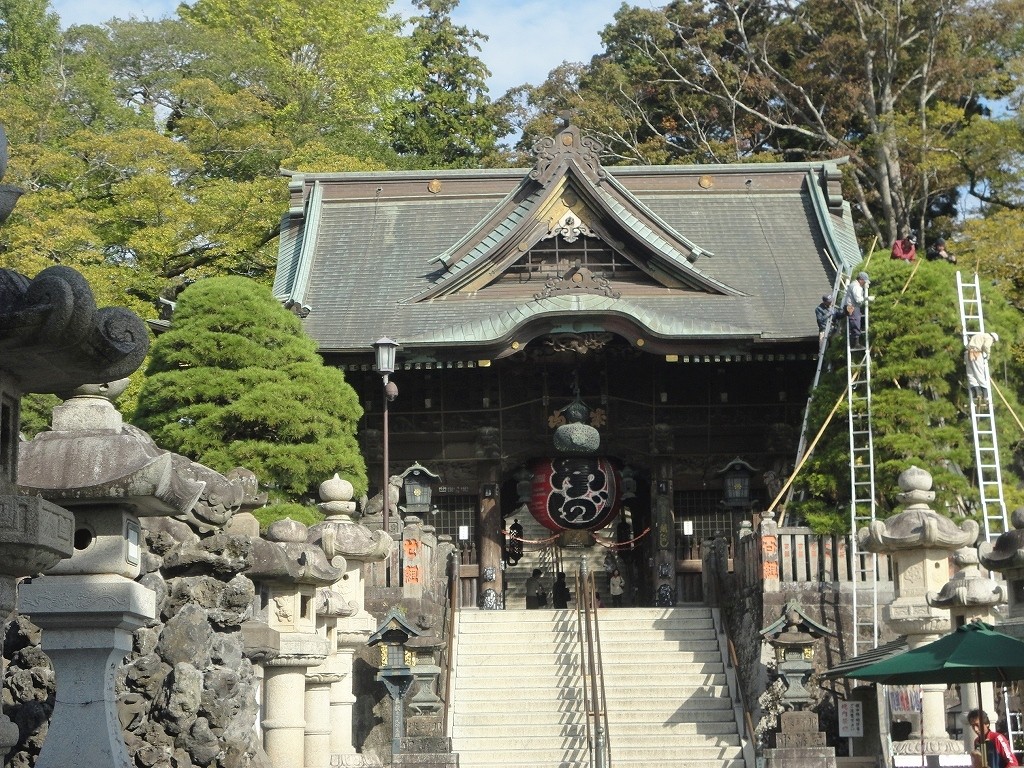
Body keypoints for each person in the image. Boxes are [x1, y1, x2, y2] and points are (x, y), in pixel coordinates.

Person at [965, 331, 999, 406]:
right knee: (979, 373)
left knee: (971, 374)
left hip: (968, 353)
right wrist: (988, 354)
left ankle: (976, 393)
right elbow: (986, 346)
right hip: (976, 354)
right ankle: (985, 394)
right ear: (994, 339)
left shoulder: (978, 335)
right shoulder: (989, 338)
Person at [843, 271, 873, 348]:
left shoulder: (855, 285)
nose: (865, 283)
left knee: (857, 322)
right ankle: (855, 344)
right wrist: (867, 298)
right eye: (864, 281)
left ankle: (856, 342)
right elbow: (858, 300)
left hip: (851, 306)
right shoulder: (856, 287)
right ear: (861, 280)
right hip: (852, 307)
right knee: (855, 323)